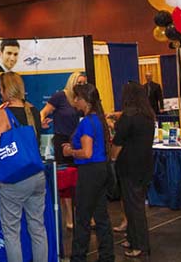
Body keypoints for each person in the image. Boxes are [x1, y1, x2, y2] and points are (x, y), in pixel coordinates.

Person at [0, 72, 47, 262]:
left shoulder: (3, 114)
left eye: (0, 87)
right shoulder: (34, 110)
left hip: (15, 180)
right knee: (38, 228)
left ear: (5, 90)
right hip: (37, 175)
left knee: (11, 232)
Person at [61, 83, 115, 262]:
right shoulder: (98, 120)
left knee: (83, 217)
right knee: (101, 216)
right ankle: (107, 255)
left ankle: (78, 257)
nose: (74, 101)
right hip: (100, 170)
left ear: (85, 101)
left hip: (89, 171)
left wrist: (70, 152)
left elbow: (87, 152)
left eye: (77, 98)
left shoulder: (87, 123)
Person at [110, 83, 156, 258]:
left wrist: (112, 159)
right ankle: (132, 237)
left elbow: (118, 143)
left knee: (134, 207)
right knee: (133, 204)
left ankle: (140, 245)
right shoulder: (147, 116)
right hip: (145, 165)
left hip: (129, 167)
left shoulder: (128, 117)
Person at [39, 71, 87, 229]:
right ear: (72, 81)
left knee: (81, 180)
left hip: (79, 142)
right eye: (78, 82)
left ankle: (84, 214)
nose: (81, 86)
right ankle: (68, 218)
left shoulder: (82, 100)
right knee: (66, 183)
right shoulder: (60, 96)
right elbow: (43, 112)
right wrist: (41, 123)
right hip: (62, 142)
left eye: (83, 83)